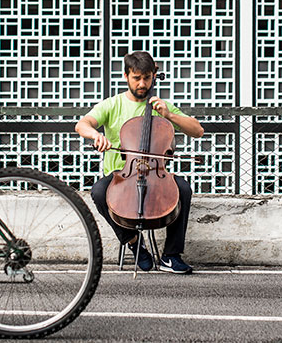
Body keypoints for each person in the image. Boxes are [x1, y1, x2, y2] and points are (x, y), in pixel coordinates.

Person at [75, 51, 203, 274]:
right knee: (98, 192)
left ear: (154, 76)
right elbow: (82, 124)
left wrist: (170, 116)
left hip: (155, 176)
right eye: (137, 78)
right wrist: (95, 135)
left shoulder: (161, 106)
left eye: (147, 77)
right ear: (126, 76)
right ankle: (135, 243)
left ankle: (171, 256)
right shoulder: (112, 105)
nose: (142, 83)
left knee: (183, 189)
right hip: (119, 176)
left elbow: (198, 131)